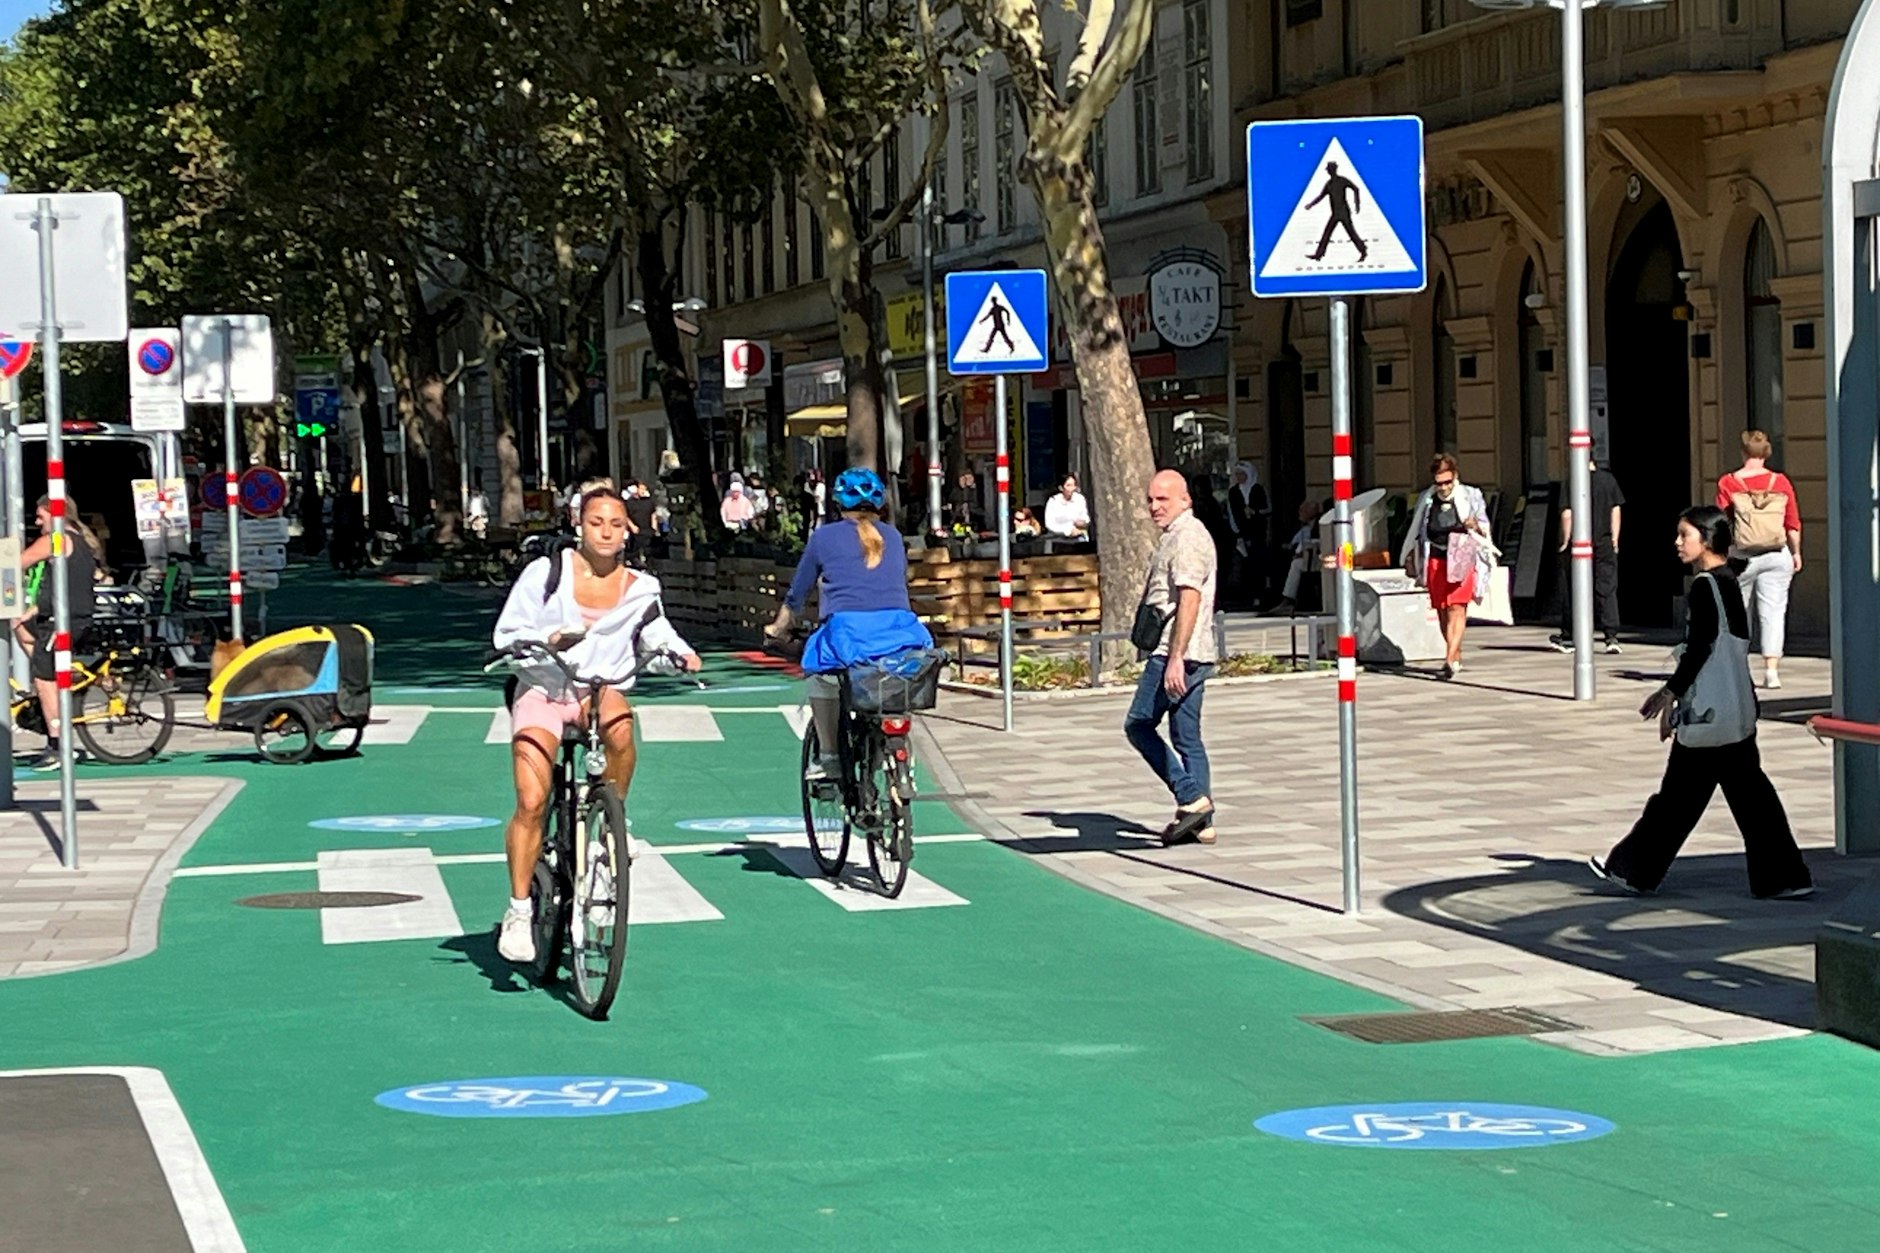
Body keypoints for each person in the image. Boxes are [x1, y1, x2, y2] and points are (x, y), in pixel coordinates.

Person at [490, 485, 702, 962]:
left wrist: (682, 656)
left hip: (598, 689)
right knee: (531, 799)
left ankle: (610, 824)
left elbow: (656, 634)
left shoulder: (643, 587)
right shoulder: (545, 573)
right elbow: (508, 632)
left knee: (622, 728)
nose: (605, 531)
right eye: (595, 522)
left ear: (628, 530)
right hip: (544, 689)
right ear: (578, 527)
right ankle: (519, 910)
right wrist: (548, 639)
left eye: (615, 523)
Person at [1590, 506, 1813, 900]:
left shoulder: (1706, 586)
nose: (1677, 543)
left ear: (1706, 541)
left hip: (1709, 713)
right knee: (1749, 798)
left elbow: (1701, 649)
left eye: (1684, 536)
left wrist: (1669, 693)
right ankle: (1785, 877)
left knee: (1678, 801)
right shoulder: (1728, 582)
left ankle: (1632, 871)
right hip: (1734, 711)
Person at [766, 468, 933, 782]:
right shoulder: (893, 537)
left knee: (821, 673)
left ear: (838, 502)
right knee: (895, 679)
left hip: (849, 633)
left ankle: (829, 756)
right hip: (901, 630)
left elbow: (798, 593)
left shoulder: (824, 537)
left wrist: (778, 628)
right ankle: (893, 756)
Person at [1126, 470, 1220, 846]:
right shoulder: (1175, 536)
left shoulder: (1188, 538)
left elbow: (1190, 597)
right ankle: (1203, 821)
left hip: (1176, 652)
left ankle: (1191, 797)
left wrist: (1176, 657)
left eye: (1163, 499)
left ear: (1185, 500)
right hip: (1192, 652)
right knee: (1187, 736)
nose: (1154, 507)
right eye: (1150, 499)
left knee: (1138, 725)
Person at [13, 495, 103, 770]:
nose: (37, 521)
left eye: (41, 515)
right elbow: (66, 583)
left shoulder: (56, 539)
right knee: (23, 632)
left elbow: (17, 563)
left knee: (44, 679)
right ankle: (56, 683)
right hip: (72, 616)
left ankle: (57, 745)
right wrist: (32, 610)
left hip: (64, 622)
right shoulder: (80, 538)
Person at [1717, 429, 1802, 690]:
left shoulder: (1728, 483)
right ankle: (1772, 670)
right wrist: (1796, 552)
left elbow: (1721, 524)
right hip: (1776, 554)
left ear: (1743, 452)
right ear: (1766, 453)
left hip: (1741, 556)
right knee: (1773, 613)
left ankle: (1739, 669)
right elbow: (1792, 523)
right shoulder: (1781, 482)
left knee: (1737, 613)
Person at [1401, 453, 1494, 679]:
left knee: (1457, 607)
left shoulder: (1471, 495)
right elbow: (1417, 531)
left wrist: (1475, 525)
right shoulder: (1427, 499)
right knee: (1442, 608)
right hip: (1436, 557)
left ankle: (1450, 657)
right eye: (1439, 483)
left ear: (1455, 477)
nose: (1443, 487)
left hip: (1461, 556)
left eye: (1447, 482)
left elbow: (1484, 527)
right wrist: (1409, 555)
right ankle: (1455, 652)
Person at [1550, 457, 1625, 654]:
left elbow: (1567, 514)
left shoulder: (1573, 481)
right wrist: (1615, 538)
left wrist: (1565, 540)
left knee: (1573, 589)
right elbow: (1615, 510)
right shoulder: (1608, 480)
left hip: (1578, 544)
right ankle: (1611, 637)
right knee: (1606, 589)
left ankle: (1570, 636)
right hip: (1604, 542)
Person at [1225, 461, 1270, 603]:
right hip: (1242, 533)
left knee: (1258, 563)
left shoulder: (1258, 489)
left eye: (1242, 474)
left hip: (1258, 533)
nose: (1239, 477)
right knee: (1244, 564)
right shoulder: (1233, 492)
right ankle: (1246, 596)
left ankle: (1260, 594)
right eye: (1237, 474)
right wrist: (1237, 533)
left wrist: (1255, 512)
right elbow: (1232, 513)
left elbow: (1268, 509)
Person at [1277, 499, 1323, 609]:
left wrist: (1303, 552)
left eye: (1303, 510)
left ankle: (1289, 599)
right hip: (1302, 554)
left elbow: (1318, 542)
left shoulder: (1319, 524)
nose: (1300, 513)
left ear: (1311, 512)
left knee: (1296, 564)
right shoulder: (1300, 525)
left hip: (1316, 558)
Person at [1044, 474, 1091, 541]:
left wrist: (1082, 522)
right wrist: (1068, 531)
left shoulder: (1079, 499)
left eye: (1074, 485)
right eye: (1068, 485)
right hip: (1057, 538)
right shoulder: (1053, 501)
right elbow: (1049, 524)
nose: (1072, 488)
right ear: (1061, 488)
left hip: (1078, 536)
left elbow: (1086, 518)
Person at [623, 480, 657, 563]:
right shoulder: (629, 502)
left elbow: (653, 514)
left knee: (649, 551)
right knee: (635, 553)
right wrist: (632, 526)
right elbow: (625, 516)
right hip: (635, 531)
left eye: (644, 489)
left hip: (648, 530)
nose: (643, 491)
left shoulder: (649, 501)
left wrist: (655, 527)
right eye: (641, 489)